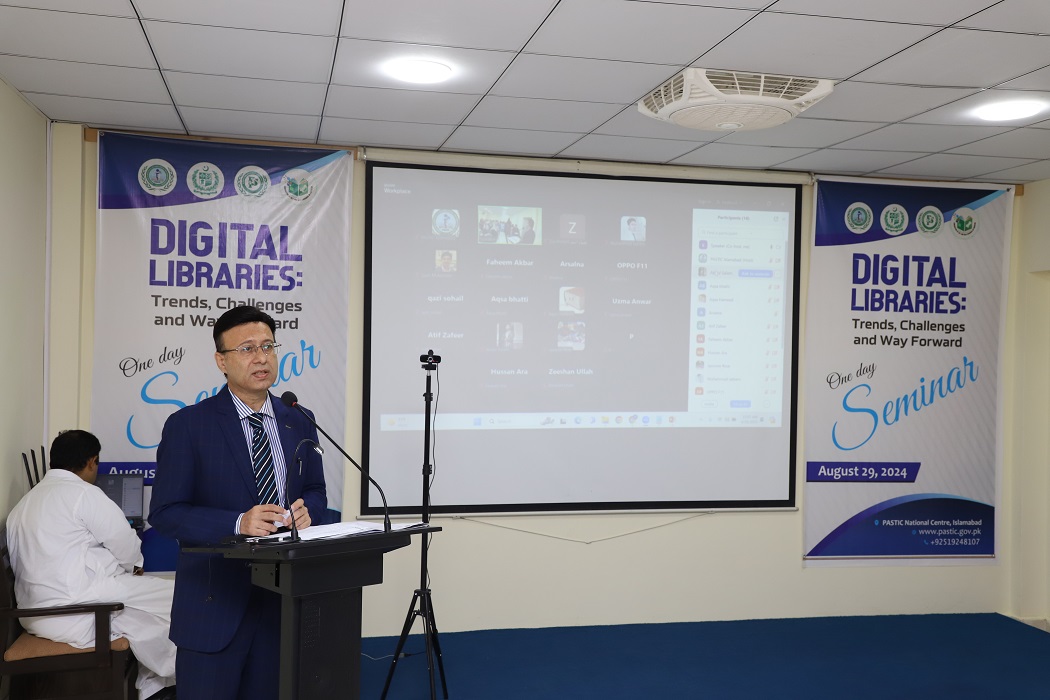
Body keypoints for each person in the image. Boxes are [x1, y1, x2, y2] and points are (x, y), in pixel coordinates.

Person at [149, 306, 327, 700]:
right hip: (215, 606)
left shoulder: (299, 419)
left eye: (268, 346)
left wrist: (308, 511)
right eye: (246, 349)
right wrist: (237, 523)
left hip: (281, 604)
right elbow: (165, 513)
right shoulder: (189, 425)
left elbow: (315, 489)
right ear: (221, 361)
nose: (261, 357)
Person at [6, 430, 176, 700]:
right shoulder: (84, 494)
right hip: (79, 611)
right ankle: (168, 684)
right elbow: (126, 545)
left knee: (146, 622)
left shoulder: (23, 505)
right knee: (178, 598)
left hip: (36, 617)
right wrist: (134, 567)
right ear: (92, 461)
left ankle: (154, 687)